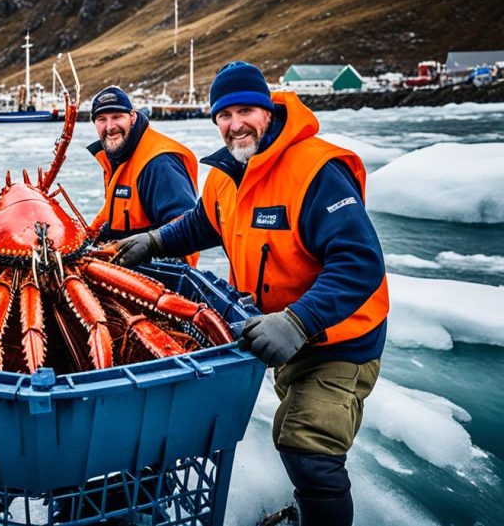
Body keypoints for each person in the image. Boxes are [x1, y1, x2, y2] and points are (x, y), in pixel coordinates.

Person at [114, 62, 388, 526]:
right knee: (292, 427)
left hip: (338, 341)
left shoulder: (315, 170)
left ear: (268, 111)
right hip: (281, 334)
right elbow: (203, 223)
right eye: (224, 115)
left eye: (246, 110)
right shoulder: (227, 173)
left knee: (308, 447)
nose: (235, 124)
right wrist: (156, 241)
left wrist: (297, 321)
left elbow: (360, 262)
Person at [86, 86, 199, 264]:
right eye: (101, 119)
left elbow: (185, 232)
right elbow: (117, 219)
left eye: (117, 117)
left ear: (132, 117)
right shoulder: (119, 156)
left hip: (153, 278)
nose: (110, 127)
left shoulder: (159, 163)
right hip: (123, 266)